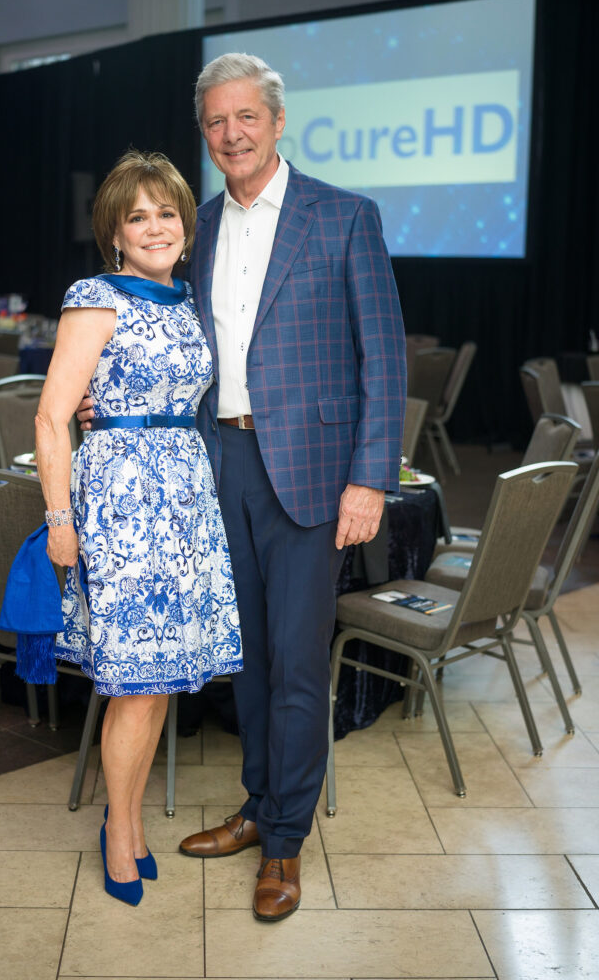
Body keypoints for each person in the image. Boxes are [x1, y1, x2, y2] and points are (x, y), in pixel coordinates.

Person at [79, 53, 406, 922]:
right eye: (215, 122)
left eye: (245, 118)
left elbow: (385, 358)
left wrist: (369, 479)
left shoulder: (344, 218)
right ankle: (260, 807)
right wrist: (94, 401)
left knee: (298, 664)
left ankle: (288, 840)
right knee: (249, 660)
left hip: (311, 474)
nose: (230, 134)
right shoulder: (200, 227)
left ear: (277, 120)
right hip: (214, 468)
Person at [35, 150, 242, 907]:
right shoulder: (96, 296)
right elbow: (53, 415)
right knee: (133, 685)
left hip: (184, 498)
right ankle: (119, 832)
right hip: (121, 503)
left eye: (168, 214)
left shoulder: (185, 301)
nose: (155, 227)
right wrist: (61, 520)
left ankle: (127, 823)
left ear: (186, 228)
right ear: (114, 232)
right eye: (138, 216)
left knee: (157, 685)